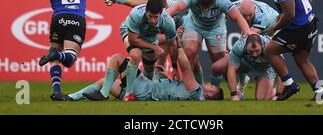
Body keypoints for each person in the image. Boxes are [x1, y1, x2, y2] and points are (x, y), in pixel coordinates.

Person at [72, 37, 223, 101]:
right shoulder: (193, 95)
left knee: (117, 59)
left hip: (144, 89)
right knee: (106, 81)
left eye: (210, 86)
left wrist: (179, 44)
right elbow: (167, 92)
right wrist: (164, 78)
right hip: (145, 94)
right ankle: (73, 97)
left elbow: (185, 66)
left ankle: (104, 95)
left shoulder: (196, 91)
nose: (208, 84)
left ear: (210, 93)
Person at [166, 0, 259, 87]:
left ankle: (222, 89)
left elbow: (237, 17)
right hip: (194, 25)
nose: (205, 11)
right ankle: (190, 88)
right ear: (197, 0)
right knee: (189, 51)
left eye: (208, 7)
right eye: (203, 7)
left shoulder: (221, 0)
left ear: (213, 2)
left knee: (219, 61)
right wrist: (162, 18)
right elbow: (175, 9)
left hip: (216, 28)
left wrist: (248, 35)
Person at [265, 0, 323, 101]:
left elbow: (290, 14)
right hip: (310, 23)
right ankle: (321, 92)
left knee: (270, 50)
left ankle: (289, 85)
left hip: (299, 28)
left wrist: (275, 28)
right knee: (301, 58)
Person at [119, 0, 178, 101]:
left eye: (156, 17)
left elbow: (172, 44)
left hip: (149, 38)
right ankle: (129, 93)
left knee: (149, 68)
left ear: (161, 13)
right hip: (130, 33)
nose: (152, 20)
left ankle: (146, 91)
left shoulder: (168, 22)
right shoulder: (136, 14)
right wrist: (155, 47)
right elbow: (133, 40)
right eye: (150, 16)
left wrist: (175, 67)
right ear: (146, 11)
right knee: (135, 54)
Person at [211, 34, 283, 101]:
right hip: (245, 63)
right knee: (217, 67)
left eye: (257, 51)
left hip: (265, 68)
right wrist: (234, 95)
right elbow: (232, 69)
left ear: (262, 45)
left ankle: (273, 90)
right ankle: (240, 92)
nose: (254, 54)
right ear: (245, 46)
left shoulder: (271, 46)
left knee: (261, 98)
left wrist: (278, 94)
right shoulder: (239, 46)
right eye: (251, 52)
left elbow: (281, 70)